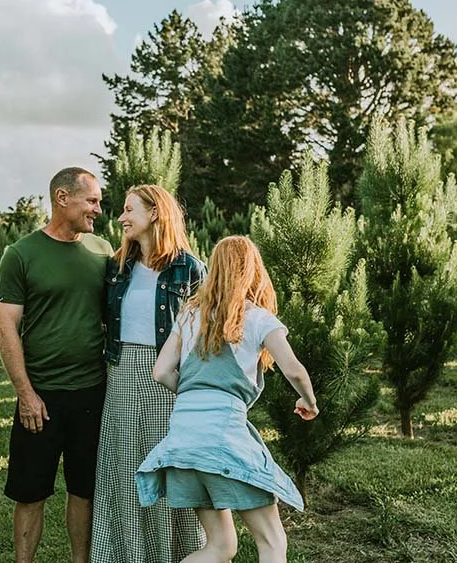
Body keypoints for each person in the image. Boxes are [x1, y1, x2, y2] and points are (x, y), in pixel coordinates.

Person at [136, 236, 319, 563]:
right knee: (272, 542)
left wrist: (194, 394)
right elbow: (293, 369)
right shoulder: (259, 318)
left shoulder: (190, 315)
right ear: (252, 271)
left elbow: (161, 371)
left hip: (183, 440)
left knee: (220, 547)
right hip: (222, 438)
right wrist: (309, 401)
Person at [0, 166, 113, 563]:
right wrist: (25, 394)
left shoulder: (102, 251)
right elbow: (6, 328)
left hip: (92, 393)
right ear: (63, 198)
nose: (98, 209)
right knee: (31, 492)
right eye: (91, 200)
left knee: (85, 489)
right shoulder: (21, 254)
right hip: (40, 396)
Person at [92, 184, 207, 563]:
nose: (121, 218)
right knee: (122, 464)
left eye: (129, 210)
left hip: (167, 375)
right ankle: (123, 553)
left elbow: (206, 334)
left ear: (155, 212)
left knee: (166, 463)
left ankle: (173, 553)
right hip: (121, 370)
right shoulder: (117, 266)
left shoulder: (189, 268)